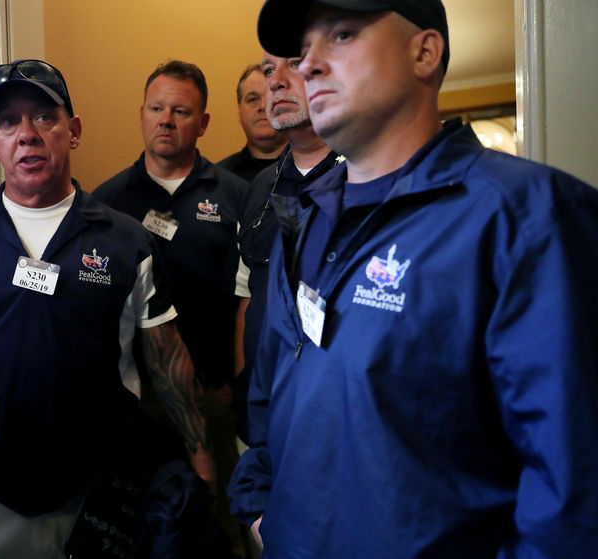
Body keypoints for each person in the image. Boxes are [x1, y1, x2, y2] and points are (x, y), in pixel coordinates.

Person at [229, 1, 598, 558]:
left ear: (425, 52)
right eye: (305, 50)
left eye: (343, 35)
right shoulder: (304, 219)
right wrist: (262, 509)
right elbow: (278, 389)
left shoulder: (529, 215)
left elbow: (574, 488)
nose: (307, 66)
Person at [0, 59, 215, 558]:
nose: (27, 135)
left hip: (102, 496)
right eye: (8, 122)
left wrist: (202, 464)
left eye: (44, 116)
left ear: (73, 130)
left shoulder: (126, 241)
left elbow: (168, 360)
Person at [92, 60, 249, 558]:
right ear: (141, 115)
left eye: (181, 111)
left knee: (218, 527)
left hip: (214, 400)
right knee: (138, 532)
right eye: (157, 109)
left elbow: (250, 299)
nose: (166, 120)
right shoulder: (107, 202)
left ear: (202, 123)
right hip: (136, 407)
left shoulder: (236, 196)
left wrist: (234, 387)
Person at [233, 51, 339, 446]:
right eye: (266, 70)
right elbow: (248, 296)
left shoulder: (365, 176)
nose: (274, 81)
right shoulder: (261, 185)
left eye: (293, 63)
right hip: (260, 423)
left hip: (332, 427)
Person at [217, 64, 287, 182]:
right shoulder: (218, 179)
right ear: (239, 113)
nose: (263, 106)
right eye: (253, 99)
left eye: (272, 98)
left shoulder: (319, 176)